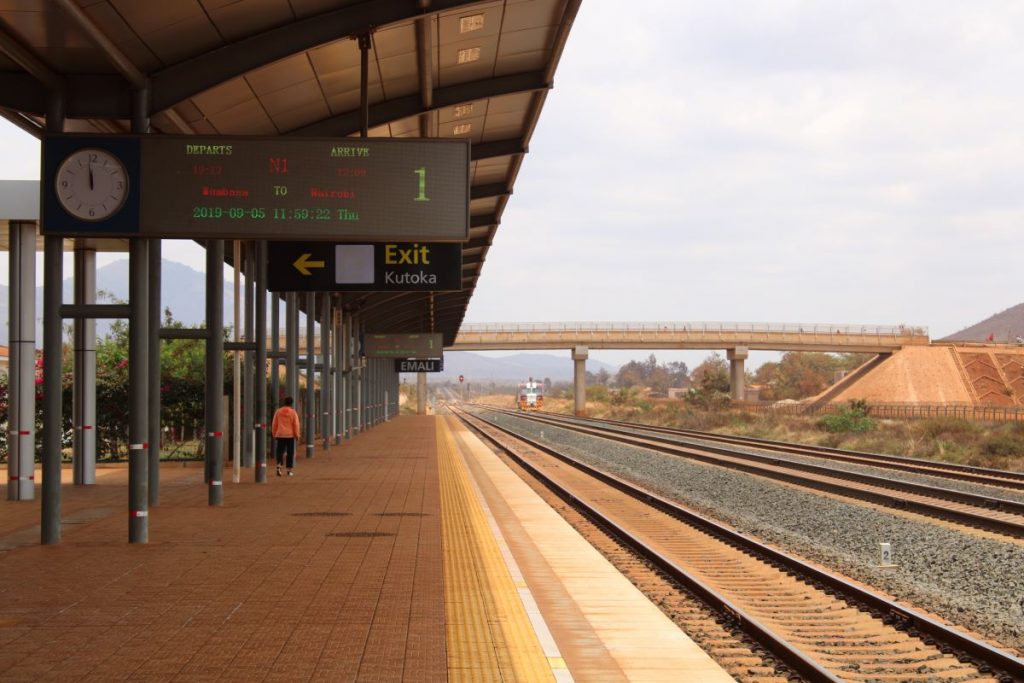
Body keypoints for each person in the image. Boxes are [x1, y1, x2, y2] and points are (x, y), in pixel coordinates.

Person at [271, 396, 301, 477]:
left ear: (284, 402)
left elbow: (274, 424)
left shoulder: (278, 411)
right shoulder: (293, 412)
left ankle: (279, 466)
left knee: (280, 451)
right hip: (290, 435)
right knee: (290, 452)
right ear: (291, 403)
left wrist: (274, 433)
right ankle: (289, 470)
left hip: (280, 434)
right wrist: (297, 434)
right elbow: (296, 425)